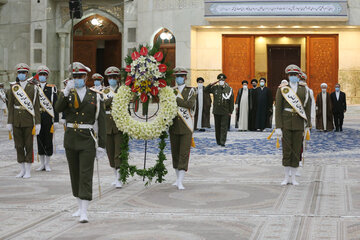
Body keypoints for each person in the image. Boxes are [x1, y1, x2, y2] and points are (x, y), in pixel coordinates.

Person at [55, 62, 106, 223]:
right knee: (75, 174)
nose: (77, 79)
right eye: (74, 77)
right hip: (71, 138)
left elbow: (102, 122)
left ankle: (84, 211)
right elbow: (57, 109)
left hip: (87, 139)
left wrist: (102, 145)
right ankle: (78, 206)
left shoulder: (95, 96)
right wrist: (65, 91)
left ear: (86, 77)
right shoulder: (68, 94)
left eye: (79, 77)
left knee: (85, 174)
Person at [275, 64, 311, 186]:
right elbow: (278, 109)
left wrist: (307, 126)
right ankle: (286, 177)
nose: (293, 77)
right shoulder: (282, 89)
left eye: (295, 75)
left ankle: (294, 178)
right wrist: (278, 127)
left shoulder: (304, 89)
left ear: (298, 76)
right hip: (286, 123)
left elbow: (307, 108)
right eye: (291, 75)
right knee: (287, 151)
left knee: (296, 151)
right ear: (288, 76)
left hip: (299, 123)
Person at [7, 63, 41, 179]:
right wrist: (9, 122)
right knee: (19, 146)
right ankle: (21, 169)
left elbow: (36, 106)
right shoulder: (13, 87)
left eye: (23, 72)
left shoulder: (34, 87)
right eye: (19, 73)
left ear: (27, 73)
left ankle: (28, 170)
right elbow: (10, 106)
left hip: (28, 121)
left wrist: (37, 123)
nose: (21, 74)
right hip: (16, 120)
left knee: (28, 145)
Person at [170, 67, 196, 190]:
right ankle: (177, 179)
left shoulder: (191, 91)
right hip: (174, 126)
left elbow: (189, 104)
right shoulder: (171, 91)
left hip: (186, 127)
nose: (179, 78)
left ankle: (181, 181)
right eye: (177, 76)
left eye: (181, 76)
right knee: (175, 153)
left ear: (185, 77)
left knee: (184, 154)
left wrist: (176, 99)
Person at [35, 66, 59, 172]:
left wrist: (56, 120)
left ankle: (48, 163)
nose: (42, 77)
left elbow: (56, 105)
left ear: (47, 76)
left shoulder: (52, 88)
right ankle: (42, 164)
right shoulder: (35, 88)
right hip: (38, 118)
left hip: (48, 118)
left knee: (48, 140)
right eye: (40, 75)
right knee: (39, 139)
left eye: (44, 75)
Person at [103, 66, 123, 188]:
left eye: (114, 77)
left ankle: (119, 177)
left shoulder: (122, 90)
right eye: (110, 77)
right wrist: (112, 100)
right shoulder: (104, 91)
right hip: (107, 124)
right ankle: (115, 175)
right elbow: (103, 105)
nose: (112, 79)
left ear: (117, 78)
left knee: (118, 152)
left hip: (119, 124)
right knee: (110, 152)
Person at [205, 73, 234, 146]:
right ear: (218, 81)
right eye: (220, 80)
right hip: (216, 110)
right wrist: (212, 83)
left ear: (224, 80)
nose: (221, 81)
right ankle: (218, 141)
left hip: (225, 111)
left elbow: (231, 101)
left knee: (224, 127)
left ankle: (222, 141)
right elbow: (205, 90)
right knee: (217, 127)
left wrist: (231, 111)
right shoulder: (215, 88)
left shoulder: (229, 89)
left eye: (222, 80)